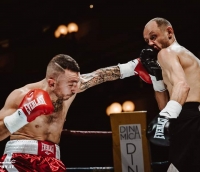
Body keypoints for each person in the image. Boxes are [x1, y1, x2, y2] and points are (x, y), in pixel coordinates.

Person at [0, 53, 156, 171]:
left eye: (76, 82)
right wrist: (22, 116)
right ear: (52, 83)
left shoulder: (71, 88)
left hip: (52, 161)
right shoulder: (21, 95)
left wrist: (133, 67)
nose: (76, 89)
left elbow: (99, 76)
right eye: (71, 84)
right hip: (18, 160)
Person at [142, 17, 200, 172]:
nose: (150, 43)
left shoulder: (166, 53)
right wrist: (156, 77)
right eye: (147, 40)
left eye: (153, 37)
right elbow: (164, 105)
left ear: (169, 32)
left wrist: (165, 118)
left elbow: (182, 85)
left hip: (188, 118)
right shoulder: (190, 56)